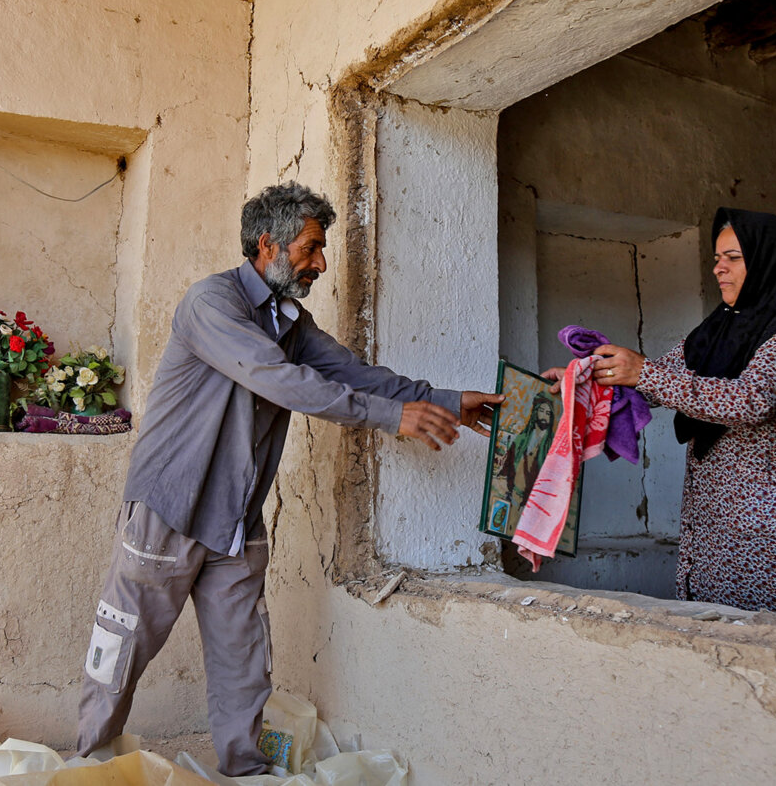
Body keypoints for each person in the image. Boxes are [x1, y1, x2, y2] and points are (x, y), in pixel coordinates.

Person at [75, 181, 503, 774]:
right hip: (170, 508)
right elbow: (277, 379)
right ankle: (88, 763)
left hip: (236, 519)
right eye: (310, 248)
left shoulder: (292, 321)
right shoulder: (211, 304)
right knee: (123, 645)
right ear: (266, 244)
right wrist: (391, 418)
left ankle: (244, 771)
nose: (320, 263)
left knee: (244, 662)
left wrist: (449, 401)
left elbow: (360, 376)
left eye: (320, 249)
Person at [573, 208, 776, 614]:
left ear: (769, 260)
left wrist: (643, 373)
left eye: (733, 257)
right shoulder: (718, 329)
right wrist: (585, 379)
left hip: (769, 517)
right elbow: (658, 380)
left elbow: (749, 401)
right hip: (714, 514)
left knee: (764, 637)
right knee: (714, 625)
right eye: (716, 258)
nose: (719, 269)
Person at [496, 392, 555, 508]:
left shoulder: (552, 443)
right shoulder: (522, 438)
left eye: (548, 413)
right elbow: (508, 464)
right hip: (512, 495)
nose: (544, 416)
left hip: (535, 502)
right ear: (536, 412)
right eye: (542, 411)